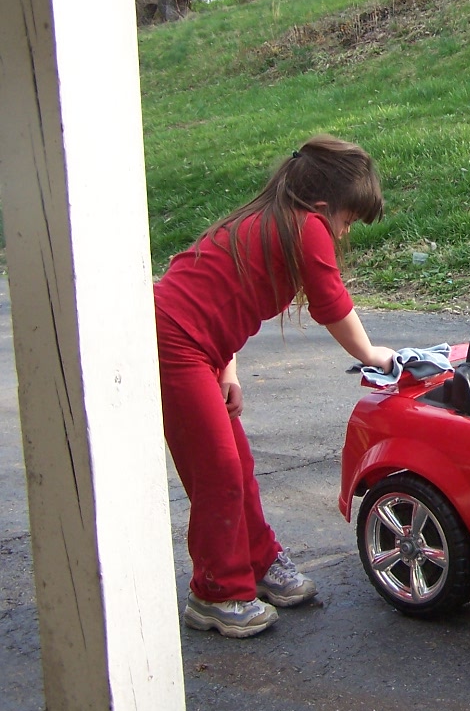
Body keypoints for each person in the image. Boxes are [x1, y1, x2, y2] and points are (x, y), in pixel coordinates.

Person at [154, 134, 395, 638]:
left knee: (235, 462)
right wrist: (372, 355)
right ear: (326, 208)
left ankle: (258, 563)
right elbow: (333, 303)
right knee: (216, 467)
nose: (345, 233)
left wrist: (228, 370)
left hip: (202, 347)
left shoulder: (279, 220)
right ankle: (215, 593)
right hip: (172, 341)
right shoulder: (305, 227)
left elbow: (221, 299)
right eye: (347, 221)